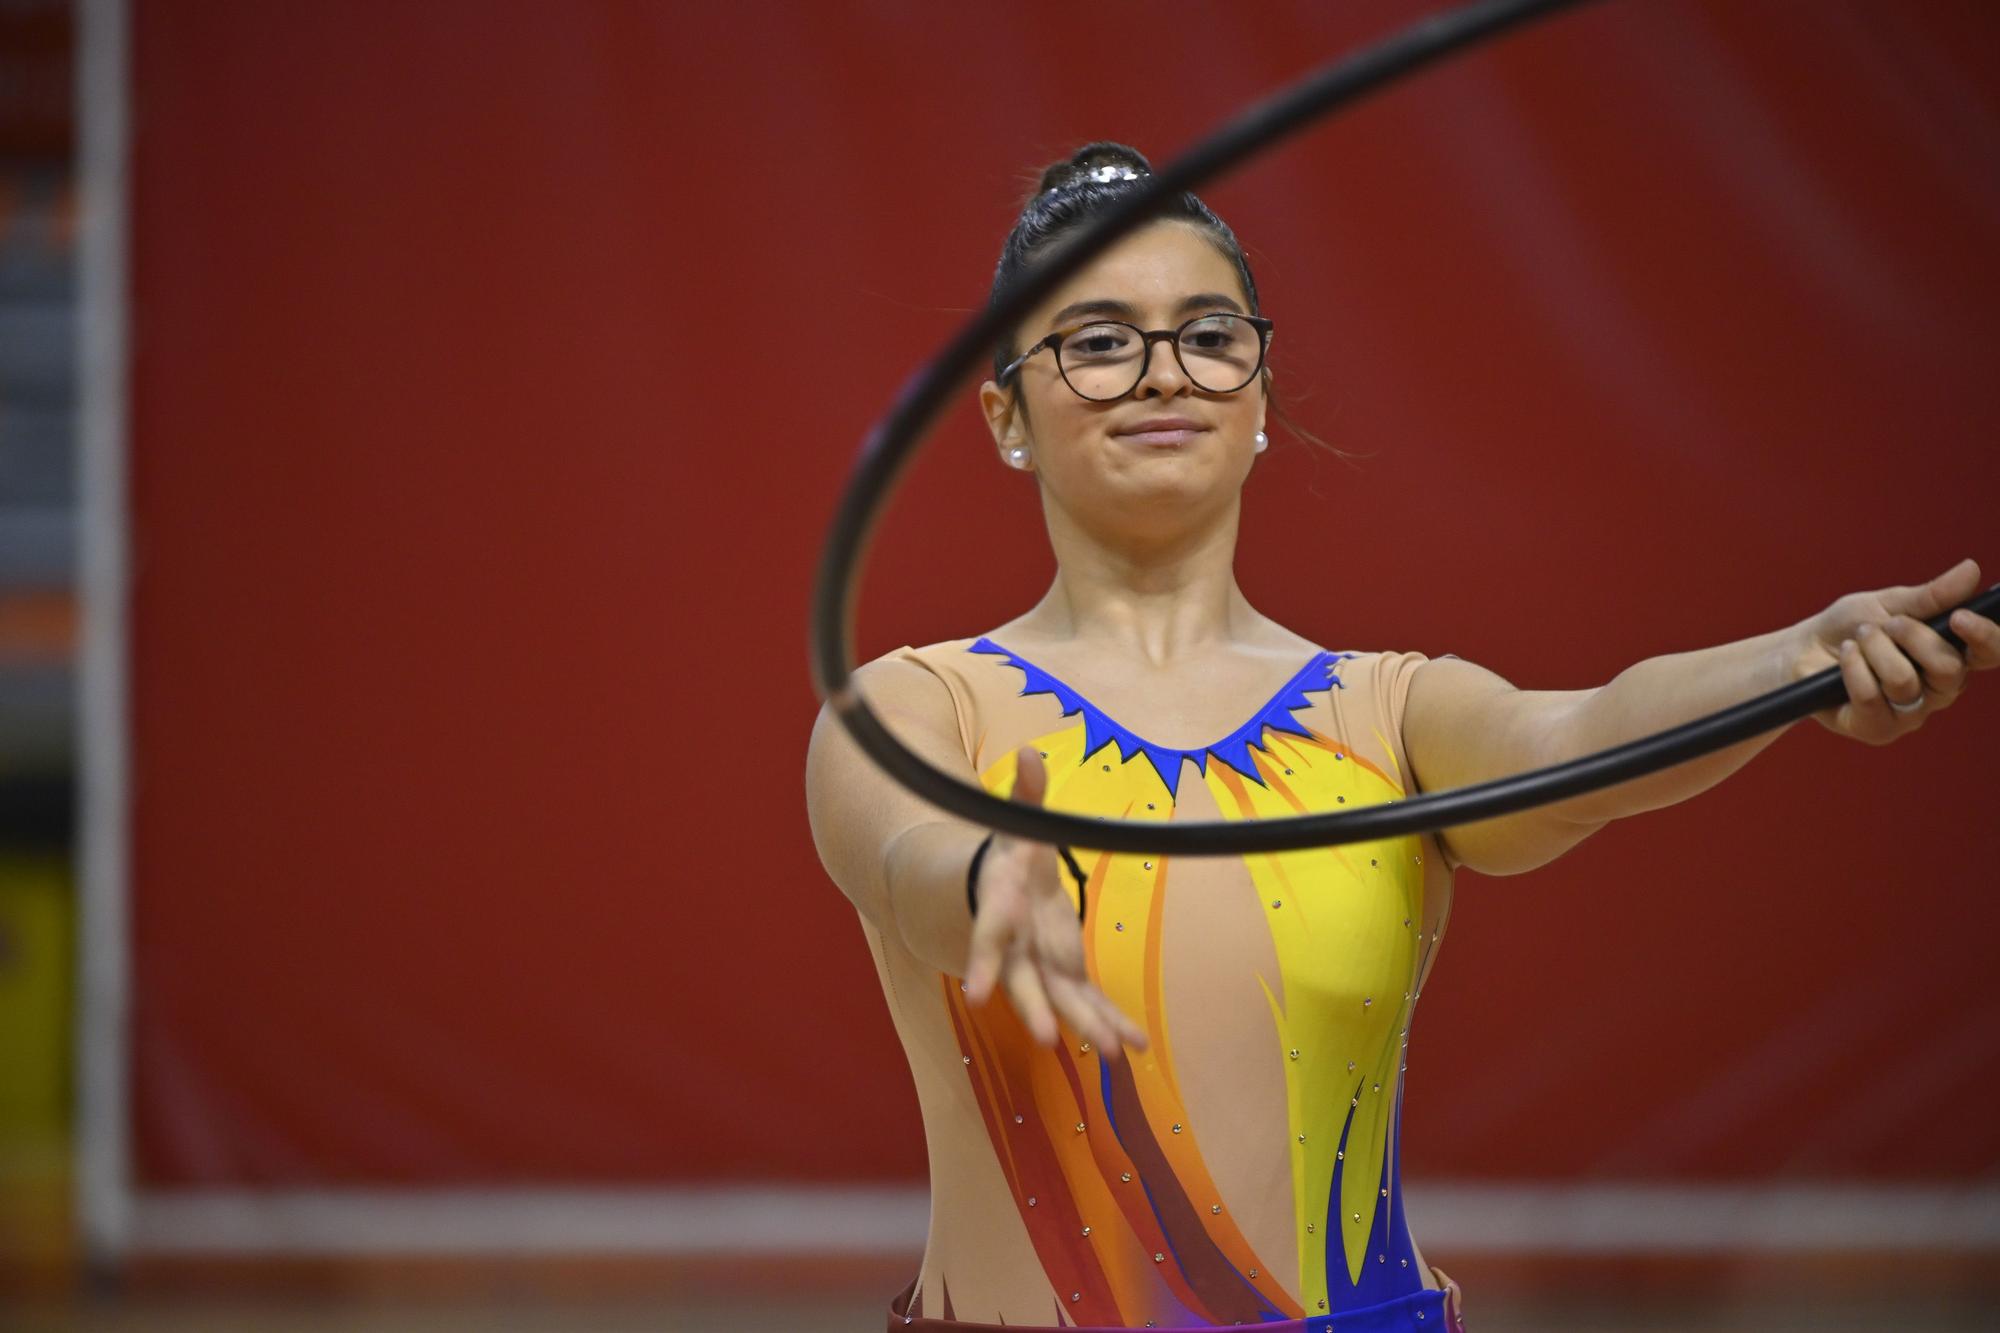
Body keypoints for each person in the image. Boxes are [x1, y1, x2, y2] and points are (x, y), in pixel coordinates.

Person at [804, 142, 1997, 1333]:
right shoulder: (914, 706)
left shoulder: (1388, 712)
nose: (1162, 374)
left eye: (1209, 336)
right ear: (1006, 410)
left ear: (1260, 393)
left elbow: (1584, 730)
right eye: (1100, 340)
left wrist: (1796, 660)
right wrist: (981, 878)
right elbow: (909, 856)